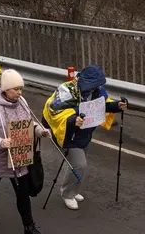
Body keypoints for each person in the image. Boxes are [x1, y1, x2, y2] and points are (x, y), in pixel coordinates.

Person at [0, 69, 51, 234]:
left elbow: (28, 123)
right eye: (16, 89)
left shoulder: (22, 102)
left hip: (18, 156)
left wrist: (40, 131)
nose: (19, 92)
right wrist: (1, 142)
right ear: (6, 89)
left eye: (21, 89)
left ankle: (29, 230)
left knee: (22, 192)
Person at [43, 64, 127, 210]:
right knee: (79, 165)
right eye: (94, 85)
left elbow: (103, 105)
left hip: (84, 133)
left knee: (77, 166)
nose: (96, 87)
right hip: (68, 134)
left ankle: (73, 190)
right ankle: (67, 194)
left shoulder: (97, 90)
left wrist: (117, 106)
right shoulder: (67, 90)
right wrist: (73, 120)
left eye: (98, 85)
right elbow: (54, 111)